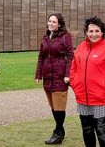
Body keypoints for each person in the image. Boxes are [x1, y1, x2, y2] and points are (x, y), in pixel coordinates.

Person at [35, 13, 74, 145]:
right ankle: (60, 130)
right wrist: (38, 75)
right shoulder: (45, 37)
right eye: (49, 21)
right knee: (53, 106)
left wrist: (68, 74)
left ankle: (58, 132)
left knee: (59, 107)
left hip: (60, 77)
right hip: (48, 77)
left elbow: (70, 56)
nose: (51, 24)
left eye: (54, 22)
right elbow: (41, 57)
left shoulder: (66, 37)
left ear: (60, 24)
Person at [70, 16, 105, 147]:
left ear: (102, 32)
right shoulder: (81, 47)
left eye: (97, 31)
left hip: (101, 99)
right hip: (82, 98)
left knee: (102, 132)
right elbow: (73, 68)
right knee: (87, 130)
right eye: (91, 31)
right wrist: (75, 84)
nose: (94, 34)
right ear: (86, 32)